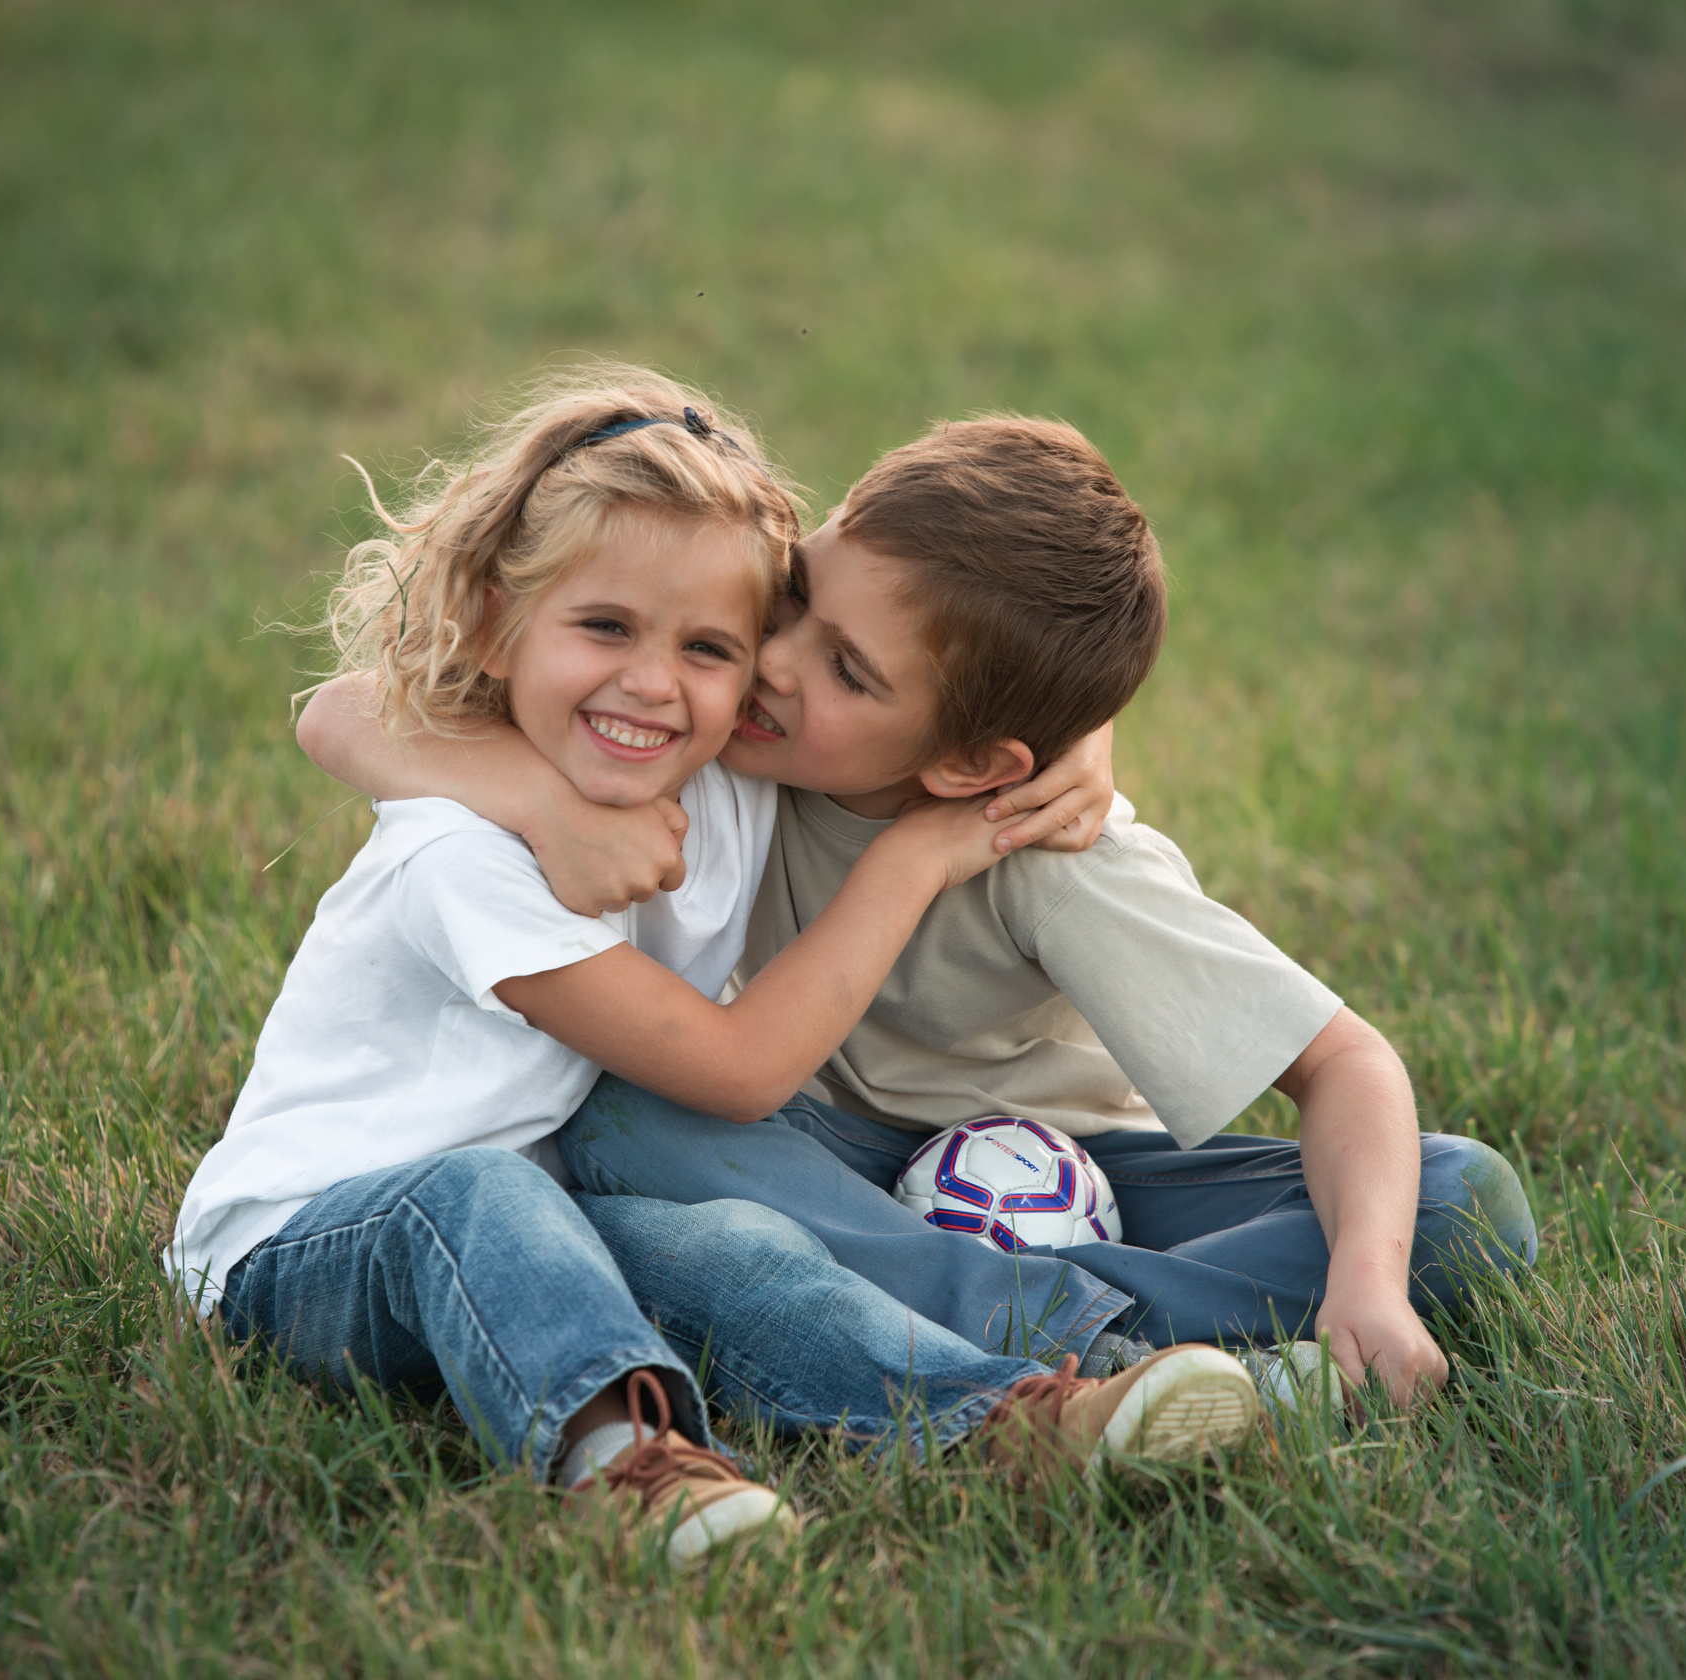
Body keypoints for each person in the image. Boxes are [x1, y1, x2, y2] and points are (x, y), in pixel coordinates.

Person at [168, 368, 1263, 1571]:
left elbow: (960, 661)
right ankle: (626, 1468)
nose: (653, 683)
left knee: (729, 1251)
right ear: (493, 620)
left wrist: (1081, 734)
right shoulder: (455, 857)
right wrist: (917, 853)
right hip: (313, 1247)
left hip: (554, 1221)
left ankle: (1010, 1421)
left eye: (708, 646)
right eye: (603, 628)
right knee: (477, 1195)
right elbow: (738, 1073)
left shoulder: (724, 765)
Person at [298, 414, 1539, 1409]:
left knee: (1458, 1205)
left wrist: (1367, 1281)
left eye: (846, 669)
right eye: (795, 602)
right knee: (619, 1111)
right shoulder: (732, 717)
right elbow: (340, 712)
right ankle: (1096, 1348)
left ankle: (1042, 1323)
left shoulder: (1055, 850)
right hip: (820, 1153)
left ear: (974, 765)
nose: (771, 661)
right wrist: (538, 797)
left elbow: (1346, 1064)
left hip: (1087, 1182)